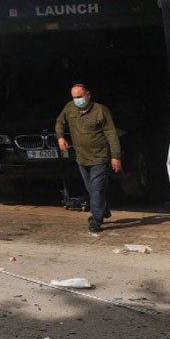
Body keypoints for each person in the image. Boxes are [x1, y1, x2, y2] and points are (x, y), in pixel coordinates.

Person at [55, 83, 123, 235]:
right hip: (82, 158)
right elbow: (60, 122)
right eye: (74, 98)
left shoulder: (101, 111)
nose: (77, 100)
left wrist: (116, 157)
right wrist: (60, 137)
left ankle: (95, 220)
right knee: (91, 188)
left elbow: (111, 134)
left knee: (97, 189)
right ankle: (103, 209)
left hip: (100, 157)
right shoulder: (69, 108)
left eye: (79, 97)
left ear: (88, 95)